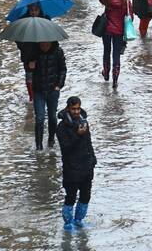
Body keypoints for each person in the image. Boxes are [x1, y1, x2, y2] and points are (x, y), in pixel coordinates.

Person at [56, 96, 97, 231]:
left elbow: (88, 143)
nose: (76, 112)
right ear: (68, 108)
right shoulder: (61, 127)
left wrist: (93, 159)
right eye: (73, 109)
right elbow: (66, 148)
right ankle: (68, 223)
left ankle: (79, 220)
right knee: (71, 197)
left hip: (86, 167)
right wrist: (78, 135)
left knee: (86, 196)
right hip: (71, 168)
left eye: (78, 108)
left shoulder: (84, 123)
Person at [29, 40, 66, 151]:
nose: (44, 46)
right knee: (39, 118)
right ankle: (39, 145)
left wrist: (59, 85)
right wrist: (29, 66)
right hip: (38, 90)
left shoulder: (58, 52)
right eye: (42, 44)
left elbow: (63, 69)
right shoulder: (33, 52)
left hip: (53, 90)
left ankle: (51, 140)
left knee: (52, 117)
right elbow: (28, 67)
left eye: (47, 44)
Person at [99, 0, 133, 89]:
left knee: (106, 51)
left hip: (107, 31)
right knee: (116, 55)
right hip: (119, 32)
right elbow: (130, 17)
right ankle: (115, 80)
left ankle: (106, 74)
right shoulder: (125, 0)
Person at [16, 3, 41, 101]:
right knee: (29, 76)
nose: (34, 13)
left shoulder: (45, 20)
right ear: (28, 10)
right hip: (28, 55)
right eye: (31, 10)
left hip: (43, 54)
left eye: (36, 10)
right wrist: (31, 59)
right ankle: (32, 98)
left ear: (39, 10)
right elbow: (19, 41)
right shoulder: (22, 21)